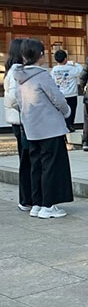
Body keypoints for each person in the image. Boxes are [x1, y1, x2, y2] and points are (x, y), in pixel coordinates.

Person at [14, 39, 73, 219]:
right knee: (51, 166)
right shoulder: (42, 75)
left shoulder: (19, 77)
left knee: (36, 166)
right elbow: (57, 98)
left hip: (31, 128)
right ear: (40, 55)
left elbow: (17, 101)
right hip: (50, 127)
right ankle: (48, 205)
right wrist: (66, 111)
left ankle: (37, 203)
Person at [3, 38, 32, 211]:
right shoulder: (16, 71)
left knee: (26, 159)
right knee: (27, 160)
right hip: (22, 121)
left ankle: (27, 198)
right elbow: (15, 98)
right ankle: (26, 199)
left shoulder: (12, 70)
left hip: (18, 120)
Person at [50, 48, 83, 133]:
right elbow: (81, 69)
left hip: (60, 94)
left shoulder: (54, 70)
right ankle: (70, 125)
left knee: (61, 111)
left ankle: (62, 126)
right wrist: (74, 63)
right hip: (71, 94)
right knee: (72, 110)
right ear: (65, 59)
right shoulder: (71, 68)